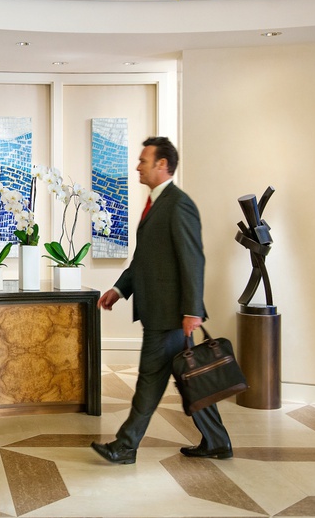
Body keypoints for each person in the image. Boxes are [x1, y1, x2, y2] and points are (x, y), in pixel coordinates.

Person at [91, 136, 232, 465]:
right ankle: (217, 441)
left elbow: (192, 260)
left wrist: (192, 310)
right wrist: (119, 289)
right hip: (162, 312)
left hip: (170, 314)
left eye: (143, 160)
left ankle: (125, 446)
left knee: (150, 380)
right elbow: (143, 259)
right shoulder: (156, 204)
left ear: (162, 165)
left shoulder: (178, 204)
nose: (137, 166)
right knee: (189, 379)